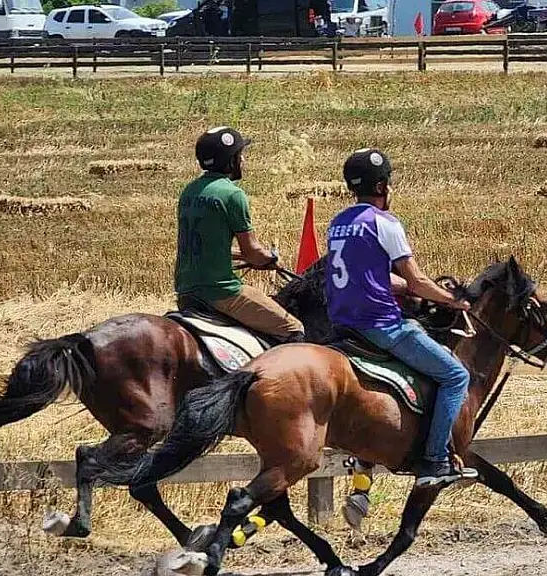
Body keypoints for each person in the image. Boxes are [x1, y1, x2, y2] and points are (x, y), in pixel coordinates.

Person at [324, 148, 478, 487]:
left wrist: (404, 288)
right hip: (382, 325)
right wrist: (454, 301)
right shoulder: (385, 222)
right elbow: (417, 280)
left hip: (341, 325)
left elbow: (365, 274)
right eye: (389, 183)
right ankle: (435, 459)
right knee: (455, 375)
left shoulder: (338, 223)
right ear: (381, 187)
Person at [175, 127, 306, 344]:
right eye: (240, 155)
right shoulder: (232, 194)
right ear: (231, 161)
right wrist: (270, 259)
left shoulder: (189, 192)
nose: (243, 160)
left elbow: (210, 246)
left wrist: (243, 257)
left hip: (186, 291)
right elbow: (253, 251)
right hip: (222, 292)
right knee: (294, 329)